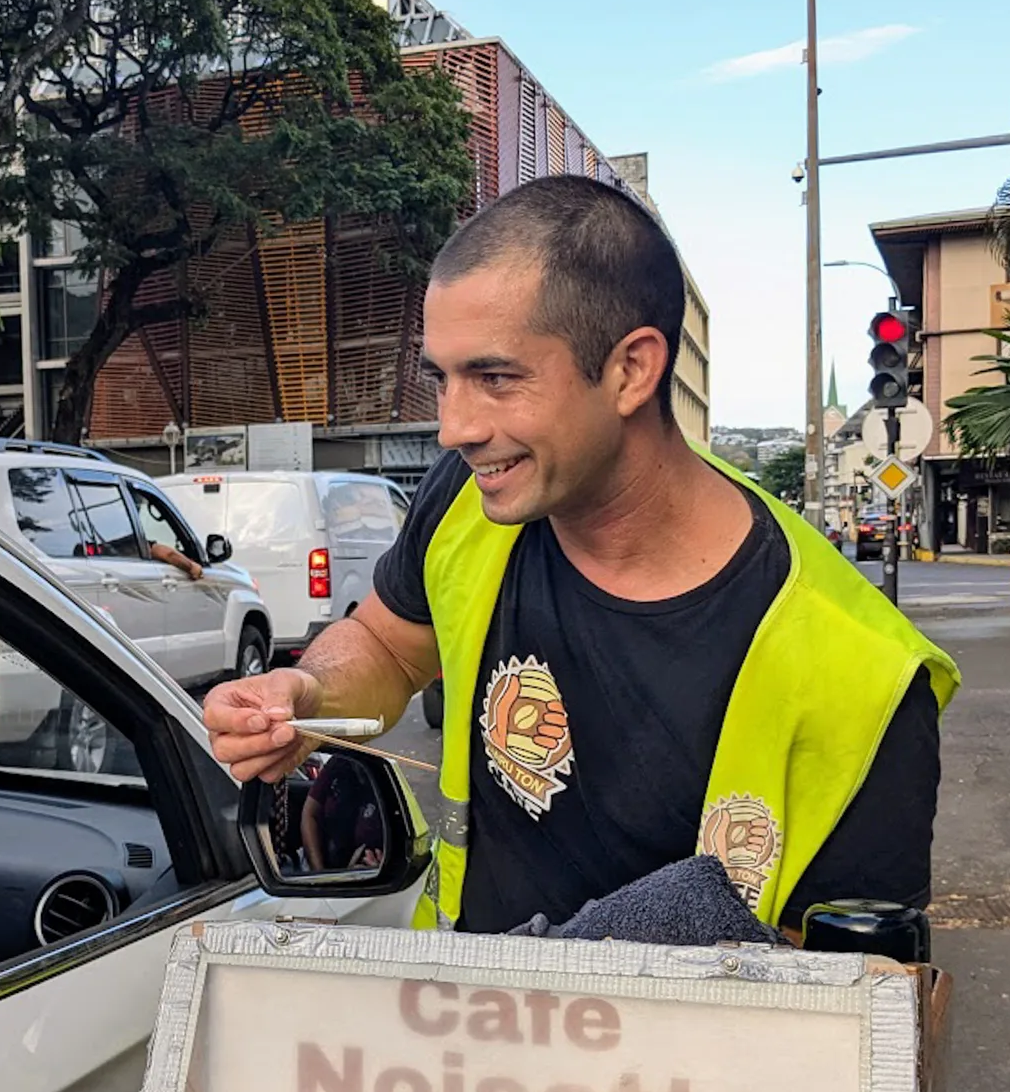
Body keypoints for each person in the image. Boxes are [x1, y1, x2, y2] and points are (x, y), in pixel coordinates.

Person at [204, 175, 959, 937]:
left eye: (495, 377)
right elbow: (387, 645)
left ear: (632, 369)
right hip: (467, 1034)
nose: (454, 428)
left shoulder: (864, 678)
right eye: (443, 378)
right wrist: (303, 693)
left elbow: (854, 1009)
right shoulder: (470, 498)